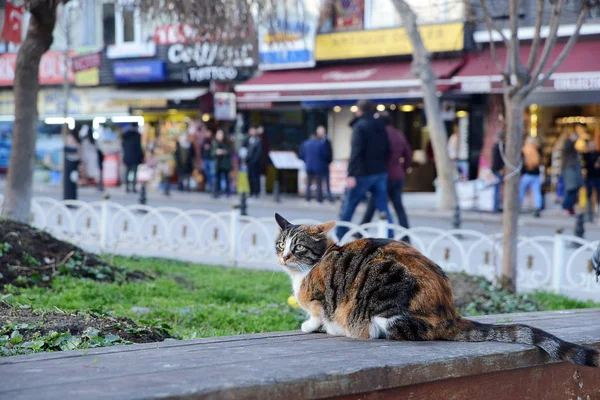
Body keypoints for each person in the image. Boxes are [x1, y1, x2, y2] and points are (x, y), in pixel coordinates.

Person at [337, 100, 392, 239]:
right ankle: (389, 235)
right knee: (383, 207)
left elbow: (356, 152)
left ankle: (339, 236)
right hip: (380, 172)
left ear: (358, 110)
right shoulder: (381, 126)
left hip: (362, 173)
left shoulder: (360, 126)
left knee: (350, 205)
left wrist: (351, 174)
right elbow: (388, 150)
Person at [359, 111, 412, 239]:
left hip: (382, 174)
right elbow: (408, 154)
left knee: (373, 204)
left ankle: (360, 230)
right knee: (398, 206)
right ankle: (406, 235)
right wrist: (402, 169)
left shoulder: (380, 135)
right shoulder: (399, 135)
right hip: (398, 175)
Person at [299, 133, 329, 203]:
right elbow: (325, 155)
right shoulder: (320, 144)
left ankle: (308, 198)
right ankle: (319, 199)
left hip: (308, 165)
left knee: (308, 183)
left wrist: (306, 161)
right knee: (319, 183)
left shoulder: (305, 144)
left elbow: (301, 155)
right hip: (318, 166)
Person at [519, 137, 543, 217]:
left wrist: (521, 173)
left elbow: (522, 163)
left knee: (521, 191)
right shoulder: (538, 150)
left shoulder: (525, 150)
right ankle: (537, 208)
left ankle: (518, 206)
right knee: (536, 192)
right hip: (536, 174)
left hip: (527, 173)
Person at [562, 133, 583, 216]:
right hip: (571, 174)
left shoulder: (572, 151)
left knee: (573, 192)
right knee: (571, 192)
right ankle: (567, 207)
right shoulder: (568, 147)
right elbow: (568, 146)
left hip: (574, 174)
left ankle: (569, 208)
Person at [121, 122, 144, 193]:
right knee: (134, 173)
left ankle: (127, 187)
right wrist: (141, 157)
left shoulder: (126, 135)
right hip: (135, 158)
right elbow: (138, 147)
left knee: (128, 172)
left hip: (127, 157)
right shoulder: (137, 135)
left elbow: (123, 146)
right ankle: (133, 187)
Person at [212, 129, 232, 197]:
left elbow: (230, 152)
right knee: (217, 179)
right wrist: (216, 152)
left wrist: (223, 151)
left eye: (221, 135)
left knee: (226, 178)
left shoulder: (227, 143)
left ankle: (227, 192)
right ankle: (217, 192)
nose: (219, 136)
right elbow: (211, 153)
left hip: (225, 164)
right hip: (218, 164)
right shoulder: (214, 143)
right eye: (218, 134)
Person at [316, 125, 335, 202]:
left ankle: (329, 196)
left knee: (327, 181)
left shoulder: (327, 141)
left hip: (325, 163)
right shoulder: (316, 141)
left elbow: (330, 152)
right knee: (319, 181)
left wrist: (329, 161)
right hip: (318, 164)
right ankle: (320, 197)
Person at [583, 138, 600, 217]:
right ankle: (589, 212)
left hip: (598, 176)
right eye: (591, 145)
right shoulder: (586, 155)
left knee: (598, 192)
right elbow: (586, 165)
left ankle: (597, 209)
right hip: (590, 177)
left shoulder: (598, 154)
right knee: (589, 194)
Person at [246, 126, 263, 198]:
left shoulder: (258, 140)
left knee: (255, 177)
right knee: (249, 177)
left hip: (255, 163)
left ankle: (256, 192)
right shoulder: (247, 140)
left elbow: (259, 152)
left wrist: (254, 160)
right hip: (249, 162)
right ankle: (251, 191)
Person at [491, 131, 505, 213]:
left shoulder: (497, 147)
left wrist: (493, 170)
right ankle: (497, 206)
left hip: (498, 170)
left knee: (496, 189)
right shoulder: (503, 147)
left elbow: (495, 161)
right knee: (498, 189)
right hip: (501, 170)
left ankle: (495, 207)